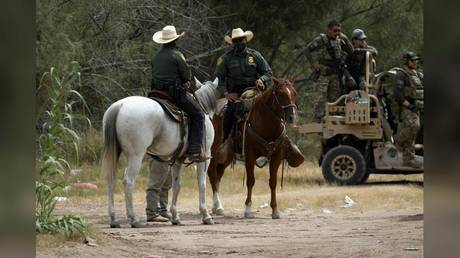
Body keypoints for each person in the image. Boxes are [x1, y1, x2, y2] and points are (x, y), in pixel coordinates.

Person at [150, 25, 205, 162]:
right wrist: (185, 81)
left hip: (156, 93)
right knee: (199, 115)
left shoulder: (155, 57)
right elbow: (186, 76)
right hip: (174, 94)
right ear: (175, 40)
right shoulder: (177, 55)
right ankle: (194, 150)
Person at [214, 28, 273, 142]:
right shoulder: (225, 59)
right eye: (236, 41)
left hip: (255, 91)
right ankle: (226, 142)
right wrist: (226, 94)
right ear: (232, 42)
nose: (239, 43)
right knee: (230, 112)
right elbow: (218, 78)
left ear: (245, 40)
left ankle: (274, 141)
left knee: (272, 109)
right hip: (235, 94)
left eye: (241, 40)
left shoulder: (255, 55)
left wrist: (262, 80)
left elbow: (268, 72)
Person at [304, 20, 354, 122]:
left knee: (335, 99)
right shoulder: (321, 40)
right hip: (324, 73)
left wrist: (345, 38)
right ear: (329, 30)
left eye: (339, 31)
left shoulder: (340, 40)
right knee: (320, 98)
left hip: (336, 74)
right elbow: (307, 50)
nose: (337, 33)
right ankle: (317, 120)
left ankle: (332, 120)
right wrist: (314, 65)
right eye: (335, 31)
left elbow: (351, 51)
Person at [393, 51, 424, 168]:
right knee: (414, 127)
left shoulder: (417, 74)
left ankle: (408, 159)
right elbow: (398, 95)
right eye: (412, 60)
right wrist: (409, 106)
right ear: (406, 61)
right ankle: (397, 141)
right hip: (406, 108)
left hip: (416, 108)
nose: (415, 62)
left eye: (416, 60)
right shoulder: (401, 75)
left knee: (412, 135)